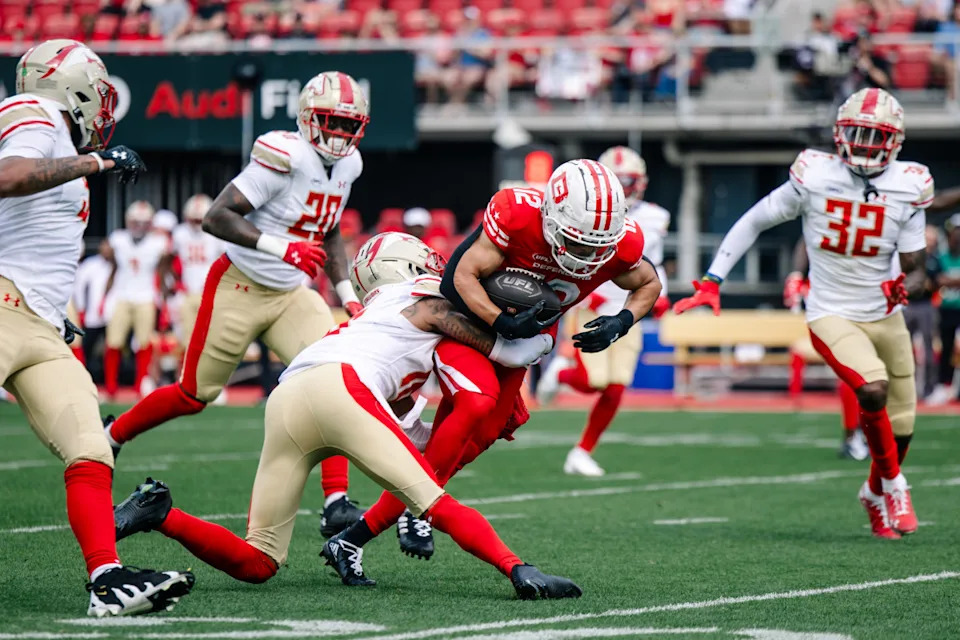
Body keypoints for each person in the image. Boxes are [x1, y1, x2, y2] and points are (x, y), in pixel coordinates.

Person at [114, 232, 581, 600]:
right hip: (344, 388)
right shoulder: (420, 293)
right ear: (410, 264)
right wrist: (528, 346)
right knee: (434, 502)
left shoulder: (374, 313)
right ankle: (518, 569)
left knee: (258, 562)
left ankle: (160, 512)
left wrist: (448, 437)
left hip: (292, 395)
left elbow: (400, 426)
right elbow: (468, 329)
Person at [336, 159, 663, 560]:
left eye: (599, 245)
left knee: (479, 435)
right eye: (578, 242)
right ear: (552, 218)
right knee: (475, 401)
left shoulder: (621, 243)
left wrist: (622, 320)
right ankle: (418, 507)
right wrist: (498, 321)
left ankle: (363, 531)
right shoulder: (517, 215)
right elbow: (458, 277)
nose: (588, 254)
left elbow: (649, 282)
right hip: (474, 323)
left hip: (528, 340)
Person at [104, 71, 368, 536]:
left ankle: (335, 501)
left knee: (334, 379)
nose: (342, 135)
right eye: (333, 122)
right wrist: (281, 247)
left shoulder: (348, 166)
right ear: (309, 118)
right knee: (194, 394)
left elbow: (329, 226)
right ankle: (112, 435)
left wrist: (347, 295)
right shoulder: (283, 155)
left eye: (350, 125)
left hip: (291, 294)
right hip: (241, 284)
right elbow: (217, 217)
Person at [673, 88, 928, 540]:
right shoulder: (815, 175)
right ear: (839, 134)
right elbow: (754, 219)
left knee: (904, 423)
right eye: (859, 134)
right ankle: (894, 484)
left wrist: (904, 275)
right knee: (872, 390)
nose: (866, 145)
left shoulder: (909, 185)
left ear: (896, 141)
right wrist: (713, 280)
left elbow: (912, 260)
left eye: (877, 136)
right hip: (831, 311)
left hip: (884, 313)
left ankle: (872, 492)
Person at [0, 38, 192, 616]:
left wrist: (54, 312)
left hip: (37, 321)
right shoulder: (36, 112)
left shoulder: (58, 137)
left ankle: (106, 580)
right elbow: (9, 176)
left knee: (90, 444)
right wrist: (99, 161)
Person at [537, 146, 672, 476]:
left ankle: (582, 451)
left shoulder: (656, 216)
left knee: (616, 386)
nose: (626, 188)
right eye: (619, 180)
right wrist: (586, 293)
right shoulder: (584, 211)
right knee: (595, 380)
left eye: (630, 181)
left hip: (628, 308)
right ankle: (562, 374)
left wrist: (660, 293)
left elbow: (653, 263)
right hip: (593, 303)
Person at [784, 238, 869, 461]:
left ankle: (860, 433)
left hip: (867, 294)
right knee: (851, 369)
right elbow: (805, 238)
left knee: (869, 372)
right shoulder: (828, 218)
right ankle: (853, 435)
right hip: (835, 299)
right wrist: (796, 275)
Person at [103, 201, 171, 399]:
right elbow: (109, 260)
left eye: (144, 222)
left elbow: (163, 270)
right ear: (128, 222)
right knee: (114, 341)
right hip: (122, 295)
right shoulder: (118, 238)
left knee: (143, 342)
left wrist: (164, 299)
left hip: (146, 296)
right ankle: (111, 388)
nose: (139, 226)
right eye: (135, 222)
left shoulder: (159, 242)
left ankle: (140, 385)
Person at [170, 193, 225, 347]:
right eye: (193, 220)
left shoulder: (217, 233)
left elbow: (227, 262)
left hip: (210, 292)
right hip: (187, 292)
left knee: (211, 337)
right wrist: (175, 282)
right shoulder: (180, 233)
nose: (196, 224)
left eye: (200, 220)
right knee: (186, 338)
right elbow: (168, 259)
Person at [927, 214, 960, 404]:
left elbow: (943, 280)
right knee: (945, 349)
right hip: (946, 310)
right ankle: (942, 386)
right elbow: (936, 280)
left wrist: (949, 280)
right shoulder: (941, 257)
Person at [74, 239, 115, 377]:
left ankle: (111, 385)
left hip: (113, 314)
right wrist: (81, 309)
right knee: (86, 347)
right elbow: (80, 288)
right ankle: (81, 377)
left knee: (113, 347)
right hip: (93, 314)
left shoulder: (119, 264)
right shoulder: (91, 264)